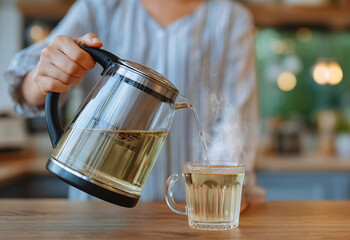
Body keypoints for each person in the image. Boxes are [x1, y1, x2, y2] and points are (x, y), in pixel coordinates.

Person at [4, 0, 259, 201]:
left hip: (187, 207)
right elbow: (25, 85)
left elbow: (236, 119)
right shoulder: (97, 7)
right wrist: (46, 74)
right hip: (96, 207)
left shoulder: (230, 19)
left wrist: (220, 192)